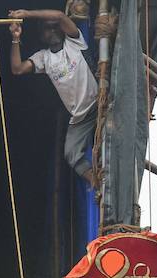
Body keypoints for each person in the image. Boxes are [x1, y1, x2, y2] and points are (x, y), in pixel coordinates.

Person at [7, 8, 97, 183]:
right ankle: (96, 181)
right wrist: (15, 38)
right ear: (42, 37)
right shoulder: (44, 58)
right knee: (71, 154)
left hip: (97, 102)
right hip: (80, 116)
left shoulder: (74, 42)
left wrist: (27, 14)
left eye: (55, 27)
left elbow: (60, 16)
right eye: (48, 28)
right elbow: (17, 69)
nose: (54, 30)